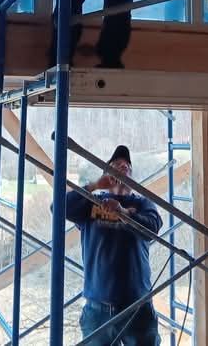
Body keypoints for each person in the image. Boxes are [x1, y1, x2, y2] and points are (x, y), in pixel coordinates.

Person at [65, 145, 163, 346]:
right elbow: (59, 207)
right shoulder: (92, 201)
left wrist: (124, 213)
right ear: (106, 173)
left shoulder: (142, 204)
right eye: (117, 164)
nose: (124, 166)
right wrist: (94, 185)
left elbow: (152, 228)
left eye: (127, 165)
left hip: (138, 306)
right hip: (98, 308)